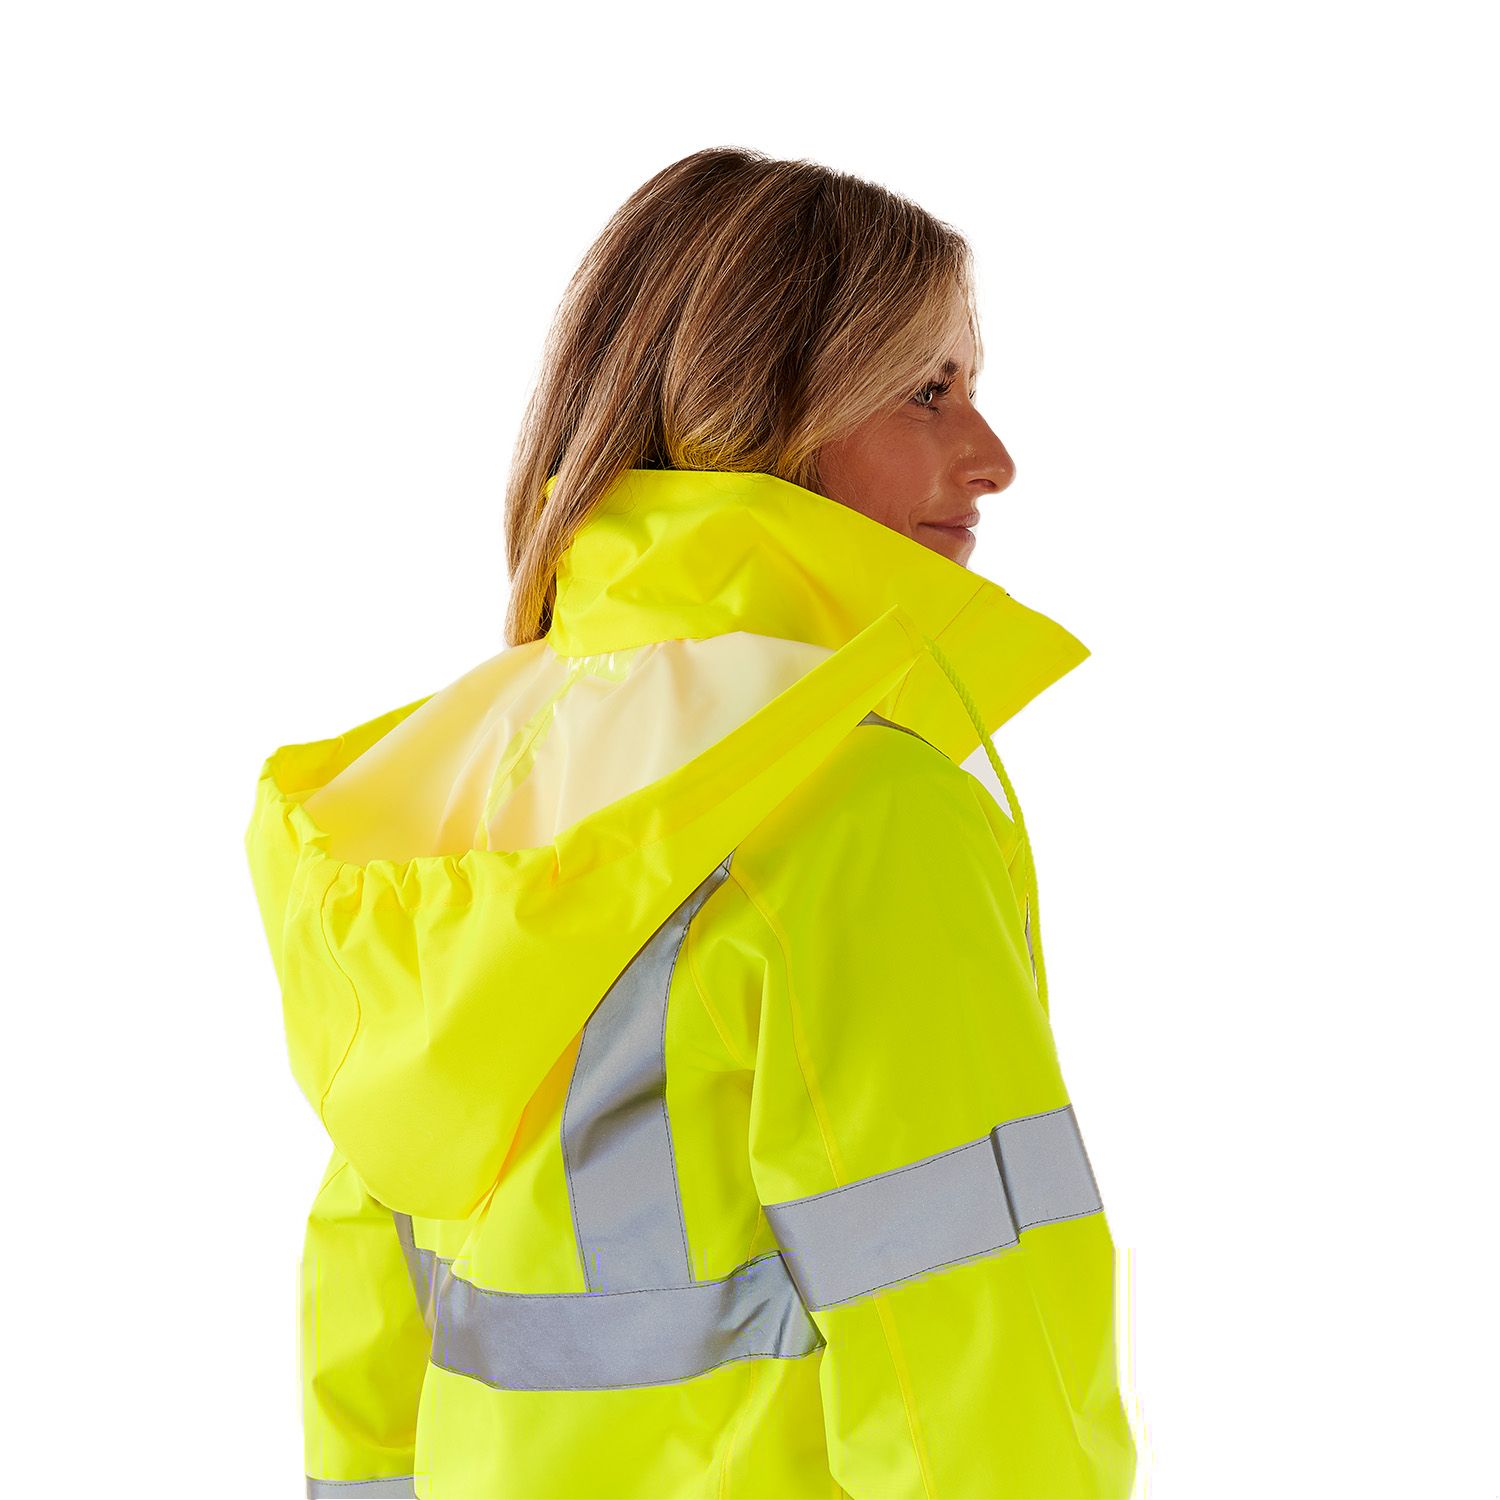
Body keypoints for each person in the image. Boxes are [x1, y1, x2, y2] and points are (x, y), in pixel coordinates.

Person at [245, 145, 1137, 1500]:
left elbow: (365, 1292)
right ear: (754, 410)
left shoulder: (448, 784)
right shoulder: (859, 809)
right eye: (928, 390)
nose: (993, 457)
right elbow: (967, 1342)